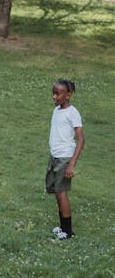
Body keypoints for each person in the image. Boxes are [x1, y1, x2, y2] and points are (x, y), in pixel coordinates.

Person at [46, 78, 84, 240]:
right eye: (53, 93)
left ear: (68, 95)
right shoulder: (57, 110)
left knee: (62, 194)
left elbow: (81, 139)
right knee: (56, 192)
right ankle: (63, 227)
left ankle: (68, 232)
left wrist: (71, 164)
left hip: (64, 158)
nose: (54, 97)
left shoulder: (72, 113)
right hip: (55, 156)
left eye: (58, 93)